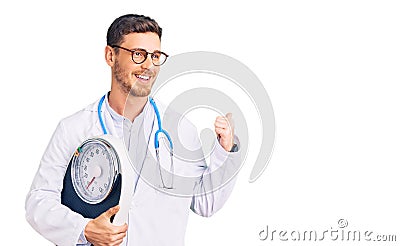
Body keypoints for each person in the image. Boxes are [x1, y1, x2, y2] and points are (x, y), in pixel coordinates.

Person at [25, 14, 241, 246]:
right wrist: (83, 229)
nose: (148, 65)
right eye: (138, 54)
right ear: (111, 55)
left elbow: (204, 203)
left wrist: (225, 149)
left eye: (155, 56)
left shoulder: (180, 129)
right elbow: (38, 202)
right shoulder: (74, 128)